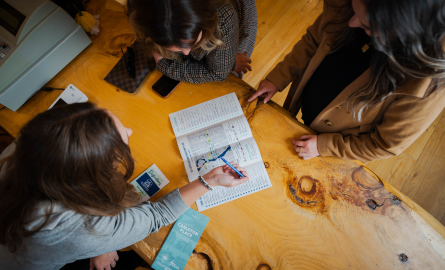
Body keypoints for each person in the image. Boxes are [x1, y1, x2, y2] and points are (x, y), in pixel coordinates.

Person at [0, 102, 249, 270]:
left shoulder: (24, 150)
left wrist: (100, 243)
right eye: (124, 141)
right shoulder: (88, 228)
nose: (130, 129)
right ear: (96, 176)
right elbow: (157, 215)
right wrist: (210, 180)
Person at [248, 0, 445, 163]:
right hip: (308, 112)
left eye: (367, 25)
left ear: (404, 34)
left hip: (338, 145)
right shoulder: (349, 8)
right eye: (353, 8)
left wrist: (324, 146)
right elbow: (312, 41)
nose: (351, 23)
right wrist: (278, 78)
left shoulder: (427, 86)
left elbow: (385, 144)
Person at [127, 0, 257, 83]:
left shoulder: (224, 16)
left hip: (235, 22)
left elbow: (218, 73)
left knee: (231, 74)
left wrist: (164, 65)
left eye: (191, 44)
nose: (186, 52)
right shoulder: (139, 9)